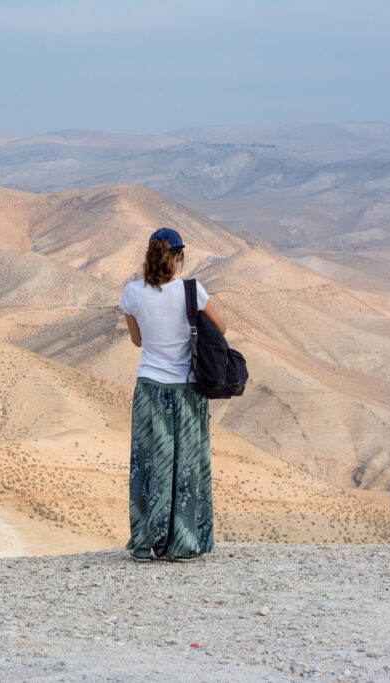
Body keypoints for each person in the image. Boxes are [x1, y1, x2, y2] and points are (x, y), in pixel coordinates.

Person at [117, 227, 227, 561]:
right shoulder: (194, 292)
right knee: (187, 467)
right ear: (179, 257)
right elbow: (220, 330)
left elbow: (138, 341)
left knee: (148, 464)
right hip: (188, 390)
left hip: (150, 388)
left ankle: (143, 542)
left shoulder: (132, 293)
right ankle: (182, 544)